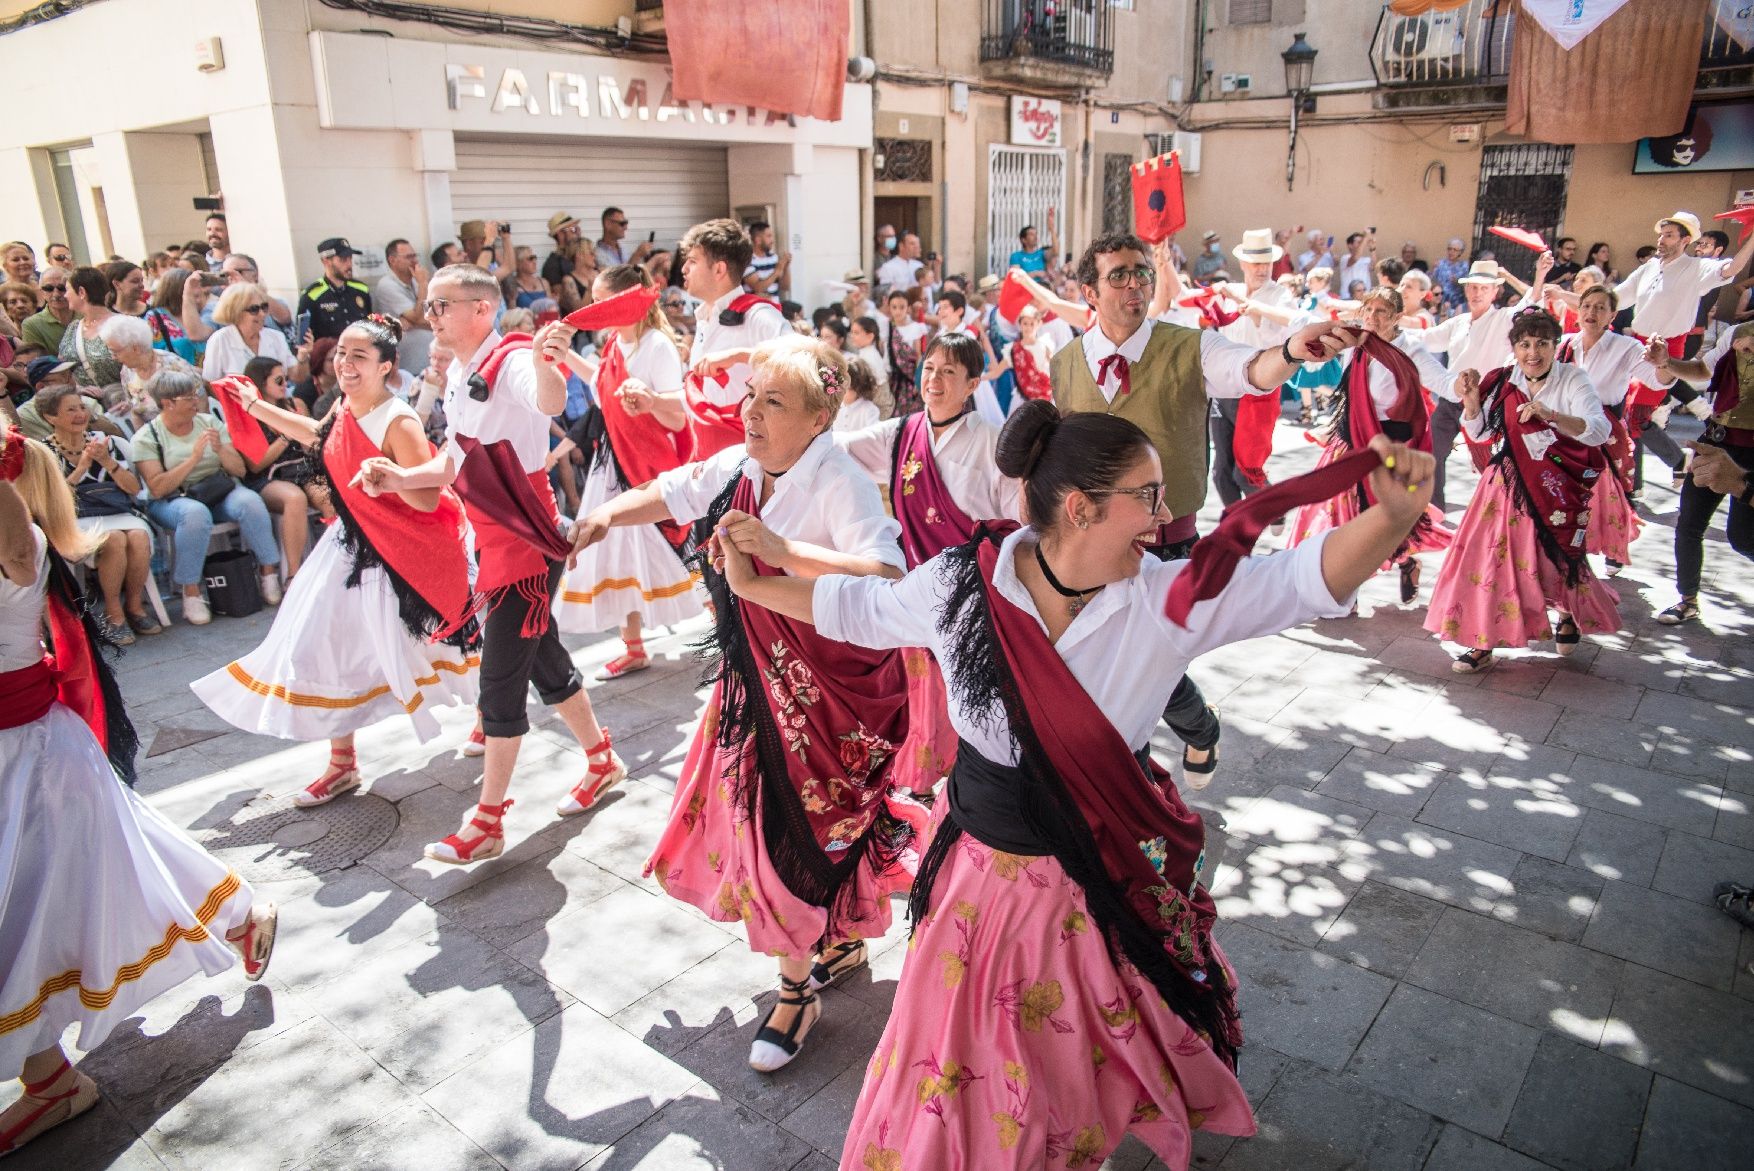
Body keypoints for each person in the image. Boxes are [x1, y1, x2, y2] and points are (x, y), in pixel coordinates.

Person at [718, 401, 1436, 1169]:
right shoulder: (964, 583)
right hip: (979, 886)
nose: (1162, 520)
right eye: (1147, 496)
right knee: (962, 1066)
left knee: (1062, 1071)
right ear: (1080, 507)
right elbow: (856, 609)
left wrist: (1392, 519)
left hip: (1095, 881)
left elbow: (1295, 578)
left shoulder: (1166, 600)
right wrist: (751, 586)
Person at [567, 335, 917, 1073]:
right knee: (764, 830)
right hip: (756, 686)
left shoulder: (838, 479)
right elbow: (673, 488)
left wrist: (785, 551)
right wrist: (604, 515)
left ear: (819, 418)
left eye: (772, 401)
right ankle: (815, 957)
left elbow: (887, 570)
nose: (749, 411)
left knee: (807, 826)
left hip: (828, 696)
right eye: (750, 396)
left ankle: (798, 991)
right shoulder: (739, 466)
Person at [0, 429, 277, 1158]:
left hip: (30, 752)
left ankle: (50, 1078)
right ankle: (239, 909)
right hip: (34, 753)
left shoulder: (10, 523)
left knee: (36, 907)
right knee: (109, 856)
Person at [1052, 232, 1361, 779]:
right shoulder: (1065, 364)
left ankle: (1159, 764)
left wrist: (1290, 350)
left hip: (1167, 546)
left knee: (1146, 663)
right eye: (1118, 275)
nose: (1134, 284)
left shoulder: (1189, 346)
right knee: (1112, 665)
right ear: (1089, 292)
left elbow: (1251, 370)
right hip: (1092, 549)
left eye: (1141, 273)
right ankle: (1161, 759)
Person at [352, 264, 626, 861]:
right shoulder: (461, 371)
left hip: (525, 541)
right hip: (493, 538)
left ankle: (489, 820)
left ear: (481, 308)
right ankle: (602, 759)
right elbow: (453, 460)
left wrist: (551, 361)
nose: (430, 317)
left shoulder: (513, 359)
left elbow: (547, 398)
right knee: (542, 659)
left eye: (440, 306)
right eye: (428, 306)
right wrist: (400, 477)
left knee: (498, 683)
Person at [193, 318, 479, 805]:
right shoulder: (347, 407)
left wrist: (388, 476)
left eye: (359, 356)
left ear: (387, 366)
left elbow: (428, 500)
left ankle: (490, 714)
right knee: (320, 645)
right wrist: (256, 407)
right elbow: (319, 435)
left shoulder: (399, 421)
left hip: (401, 552)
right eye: (342, 354)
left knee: (434, 645)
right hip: (351, 544)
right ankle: (342, 762)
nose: (345, 364)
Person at [833, 331, 1021, 795]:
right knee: (919, 691)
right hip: (915, 586)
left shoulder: (992, 444)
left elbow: (1021, 519)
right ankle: (917, 783)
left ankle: (968, 780)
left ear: (973, 383)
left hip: (973, 592)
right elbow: (837, 449)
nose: (934, 379)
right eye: (930, 368)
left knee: (969, 693)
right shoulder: (900, 433)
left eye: (949, 372)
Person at [1426, 308, 1618, 673]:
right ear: (1514, 348)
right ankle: (1482, 639)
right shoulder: (1503, 380)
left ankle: (1566, 613)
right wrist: (1470, 402)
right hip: (1505, 483)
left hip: (1557, 486)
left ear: (1555, 345)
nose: (1533, 352)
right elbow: (1481, 434)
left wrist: (1554, 416)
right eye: (1525, 344)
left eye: (1542, 343)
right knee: (1490, 560)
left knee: (1555, 554)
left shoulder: (1573, 380)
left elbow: (1598, 430)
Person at [550, 265, 703, 676]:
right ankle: (633, 647)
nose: (594, 308)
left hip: (648, 464)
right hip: (614, 461)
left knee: (672, 553)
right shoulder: (616, 344)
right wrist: (563, 355)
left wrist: (651, 399)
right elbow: (602, 388)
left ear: (626, 301)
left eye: (602, 301)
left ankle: (729, 629)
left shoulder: (656, 345)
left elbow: (679, 407)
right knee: (617, 556)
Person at [1289, 288, 1452, 608]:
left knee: (1380, 517)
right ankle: (1344, 589)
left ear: (1396, 318)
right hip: (1350, 441)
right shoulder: (1357, 343)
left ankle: (1405, 562)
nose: (1373, 317)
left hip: (1387, 446)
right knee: (1334, 514)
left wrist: (1468, 389)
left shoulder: (1410, 350)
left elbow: (1444, 383)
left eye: (1381, 312)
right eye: (1369, 310)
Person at [130, 370, 284, 624]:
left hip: (218, 490)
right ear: (168, 403)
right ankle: (191, 592)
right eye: (188, 397)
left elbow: (239, 470)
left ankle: (268, 573)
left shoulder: (209, 422)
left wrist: (220, 449)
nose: (196, 401)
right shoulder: (147, 437)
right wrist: (193, 459)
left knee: (250, 502)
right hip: (173, 499)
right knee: (195, 514)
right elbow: (157, 488)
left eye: (196, 394)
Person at [1414, 255, 1550, 510]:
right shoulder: (1458, 322)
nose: (1477, 293)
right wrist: (1393, 330)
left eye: (1483, 288)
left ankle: (1502, 511)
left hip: (1487, 403)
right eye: (1473, 287)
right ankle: (1434, 512)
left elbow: (1529, 304)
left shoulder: (1504, 319)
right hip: (1453, 398)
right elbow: (1425, 338)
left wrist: (1540, 276)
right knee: (1432, 452)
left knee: (1491, 461)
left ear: (1495, 292)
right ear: (1466, 289)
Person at [1641, 325, 1754, 624]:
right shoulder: (1737, 332)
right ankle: (1687, 601)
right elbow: (1703, 369)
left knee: (1743, 538)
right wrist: (1667, 362)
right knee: (1689, 523)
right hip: (1717, 440)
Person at [33, 383, 159, 641]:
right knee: (113, 538)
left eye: (82, 408)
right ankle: (114, 615)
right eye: (71, 410)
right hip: (73, 518)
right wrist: (82, 468)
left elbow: (134, 489)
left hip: (116, 509)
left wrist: (107, 462)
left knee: (137, 536)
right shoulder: (43, 452)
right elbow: (50, 502)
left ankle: (134, 607)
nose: (81, 414)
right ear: (50, 417)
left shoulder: (106, 443)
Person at [1558, 286, 1666, 575]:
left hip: (1604, 430)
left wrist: (1663, 363)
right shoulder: (1564, 344)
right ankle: (1569, 547)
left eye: (1600, 307)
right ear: (1577, 310)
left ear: (1612, 315)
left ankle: (1614, 548)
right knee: (1567, 491)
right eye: (1587, 305)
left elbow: (1656, 380)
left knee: (1608, 493)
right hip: (1567, 427)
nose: (1591, 312)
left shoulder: (1626, 347)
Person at [1211, 229, 1311, 511]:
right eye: (1255, 262)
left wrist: (1255, 312)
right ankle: (1236, 536)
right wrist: (1163, 261)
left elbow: (1282, 340)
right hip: (1225, 388)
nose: (1261, 268)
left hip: (1259, 392)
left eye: (1266, 262)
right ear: (1243, 264)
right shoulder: (1231, 292)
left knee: (1246, 472)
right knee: (1221, 473)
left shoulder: (1279, 296)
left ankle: (1272, 510)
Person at [679, 219, 791, 458]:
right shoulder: (703, 318)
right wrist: (652, 401)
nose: (684, 269)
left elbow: (802, 360)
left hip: (750, 462)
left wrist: (738, 356)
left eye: (693, 261)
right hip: (708, 457)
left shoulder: (758, 315)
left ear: (719, 269)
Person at [101, 312, 199, 428]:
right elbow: (135, 409)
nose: (113, 357)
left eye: (115, 352)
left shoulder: (174, 367)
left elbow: (200, 405)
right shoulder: (127, 372)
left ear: (135, 348)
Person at [203, 282, 305, 382]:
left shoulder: (276, 337)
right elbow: (211, 382)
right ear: (236, 312)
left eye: (264, 307)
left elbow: (296, 377)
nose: (262, 314)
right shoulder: (220, 340)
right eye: (254, 309)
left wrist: (303, 356)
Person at [296, 238, 374, 341]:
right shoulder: (312, 295)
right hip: (328, 354)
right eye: (343, 260)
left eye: (350, 258)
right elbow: (303, 339)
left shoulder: (361, 289)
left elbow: (370, 326)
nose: (349, 264)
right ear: (326, 261)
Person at [375, 239, 433, 375]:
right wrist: (424, 284)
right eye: (409, 257)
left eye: (414, 255)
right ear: (392, 260)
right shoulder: (387, 285)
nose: (414, 261)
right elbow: (418, 317)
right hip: (407, 364)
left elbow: (436, 317)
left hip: (428, 361)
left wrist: (417, 323)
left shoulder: (416, 280)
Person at [57, 267, 122, 390]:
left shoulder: (122, 325)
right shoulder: (73, 328)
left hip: (120, 402)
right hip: (84, 404)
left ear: (81, 292)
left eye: (67, 290)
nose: (65, 295)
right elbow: (62, 366)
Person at [142, 268, 215, 366]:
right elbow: (150, 355)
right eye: (194, 295)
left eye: (202, 294)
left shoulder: (206, 313)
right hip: (176, 377)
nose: (198, 299)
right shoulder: (155, 318)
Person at [883, 289, 930, 418]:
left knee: (911, 415)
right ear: (889, 308)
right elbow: (886, 355)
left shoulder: (916, 328)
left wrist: (918, 380)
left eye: (902, 307)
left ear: (908, 308)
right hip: (893, 377)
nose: (898, 311)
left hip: (910, 379)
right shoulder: (886, 327)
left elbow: (919, 356)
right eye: (894, 307)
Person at [20, 269, 72, 354]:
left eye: (62, 288)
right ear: (41, 292)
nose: (56, 294)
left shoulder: (86, 315)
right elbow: (38, 362)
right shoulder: (32, 325)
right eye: (48, 288)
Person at [742, 220, 791, 299]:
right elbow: (758, 287)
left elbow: (785, 287)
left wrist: (785, 267)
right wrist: (777, 271)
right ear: (758, 240)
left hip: (775, 307)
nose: (772, 240)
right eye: (769, 236)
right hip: (757, 308)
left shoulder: (774, 257)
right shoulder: (747, 260)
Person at [541, 211, 585, 297]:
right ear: (560, 234)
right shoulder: (552, 264)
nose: (578, 233)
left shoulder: (583, 257)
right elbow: (563, 298)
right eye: (573, 230)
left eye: (577, 229)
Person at [595, 206, 651, 271]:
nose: (625, 228)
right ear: (608, 224)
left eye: (626, 223)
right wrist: (637, 255)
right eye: (622, 224)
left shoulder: (623, 249)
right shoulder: (597, 254)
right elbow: (617, 279)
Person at [1008, 209, 1058, 275]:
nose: (1035, 237)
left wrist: (1052, 228)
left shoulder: (1041, 254)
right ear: (1023, 240)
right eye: (1031, 234)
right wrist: (1035, 274)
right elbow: (1015, 278)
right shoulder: (1016, 256)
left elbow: (1056, 251)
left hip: (1042, 285)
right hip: (1026, 285)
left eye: (1036, 234)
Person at [501, 245, 548, 311]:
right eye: (530, 259)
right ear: (518, 262)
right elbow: (511, 313)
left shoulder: (543, 282)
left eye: (535, 258)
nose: (534, 262)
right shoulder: (512, 284)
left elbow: (551, 307)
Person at [1431, 238, 1470, 316]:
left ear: (1461, 252)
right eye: (1449, 249)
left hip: (1457, 303)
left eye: (1455, 250)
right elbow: (1433, 282)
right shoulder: (1440, 264)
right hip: (1441, 303)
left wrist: (1458, 282)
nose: (1451, 252)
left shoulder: (1465, 266)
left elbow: (1468, 286)